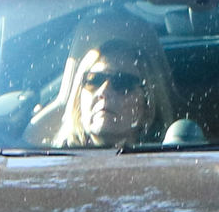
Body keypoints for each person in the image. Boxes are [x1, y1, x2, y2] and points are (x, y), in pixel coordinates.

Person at [32, 16, 187, 149]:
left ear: (147, 106)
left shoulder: (171, 164)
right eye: (94, 80)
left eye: (123, 82)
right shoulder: (47, 161)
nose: (104, 91)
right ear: (78, 100)